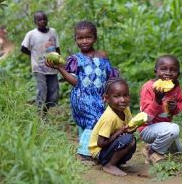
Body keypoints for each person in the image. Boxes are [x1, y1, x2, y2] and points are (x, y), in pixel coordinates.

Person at [46, 20, 119, 160]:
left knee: (91, 121)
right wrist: (60, 68)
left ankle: (90, 145)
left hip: (99, 97)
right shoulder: (75, 59)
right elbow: (75, 82)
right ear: (75, 40)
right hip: (81, 95)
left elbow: (110, 76)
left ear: (95, 38)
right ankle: (83, 153)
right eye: (80, 38)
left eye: (88, 37)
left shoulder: (103, 56)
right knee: (94, 119)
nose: (84, 41)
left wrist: (111, 92)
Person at [138, 54, 182, 164]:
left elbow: (180, 103)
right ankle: (153, 152)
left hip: (164, 127)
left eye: (173, 70)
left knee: (180, 153)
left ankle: (150, 147)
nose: (168, 73)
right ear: (156, 71)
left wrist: (175, 108)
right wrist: (157, 101)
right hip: (147, 128)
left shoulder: (175, 87)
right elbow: (146, 117)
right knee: (174, 129)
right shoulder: (149, 87)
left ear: (178, 74)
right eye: (163, 69)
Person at [89, 78, 136, 176]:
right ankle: (109, 165)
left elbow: (128, 129)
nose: (122, 100)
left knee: (132, 141)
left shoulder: (126, 110)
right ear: (106, 98)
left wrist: (134, 127)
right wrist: (119, 132)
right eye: (117, 96)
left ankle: (116, 162)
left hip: (109, 146)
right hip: (99, 151)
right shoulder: (110, 118)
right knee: (129, 140)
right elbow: (100, 143)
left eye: (125, 95)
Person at [21, 11, 61, 113]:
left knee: (53, 92)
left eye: (44, 19)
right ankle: (39, 112)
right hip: (39, 67)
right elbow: (23, 48)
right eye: (39, 20)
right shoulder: (31, 34)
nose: (42, 21)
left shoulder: (53, 32)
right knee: (42, 90)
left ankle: (47, 112)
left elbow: (57, 48)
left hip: (52, 67)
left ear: (47, 20)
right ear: (35, 22)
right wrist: (33, 55)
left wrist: (59, 62)